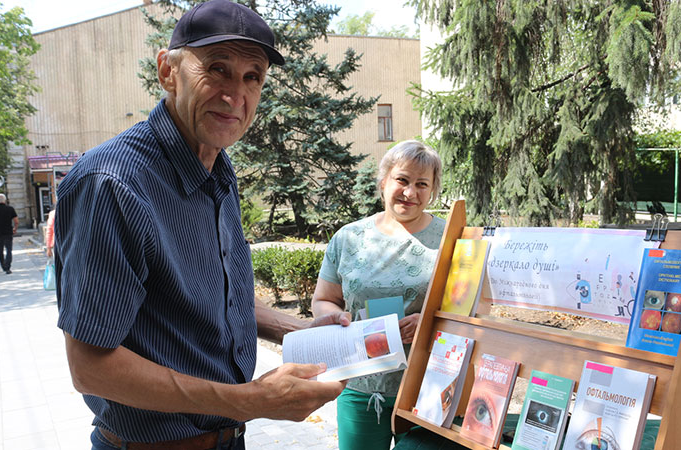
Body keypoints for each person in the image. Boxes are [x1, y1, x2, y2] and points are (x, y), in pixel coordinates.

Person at [54, 1, 348, 449]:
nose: (235, 95)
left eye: (253, 76)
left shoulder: (217, 168)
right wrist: (250, 401)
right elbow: (91, 368)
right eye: (217, 69)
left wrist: (297, 330)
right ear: (167, 72)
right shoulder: (112, 183)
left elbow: (215, 302)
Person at [311, 139, 445, 450]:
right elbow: (323, 300)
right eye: (402, 180)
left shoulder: (451, 238)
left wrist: (428, 321)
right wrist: (341, 322)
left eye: (422, 184)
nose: (410, 192)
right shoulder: (349, 238)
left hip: (428, 388)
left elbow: (470, 311)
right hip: (359, 384)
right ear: (384, 181)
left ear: (432, 190)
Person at [0, 193, 18, 274]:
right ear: (5, 200)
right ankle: (8, 267)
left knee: (0, 250)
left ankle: (3, 266)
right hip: (8, 232)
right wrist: (15, 229)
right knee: (9, 250)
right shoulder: (10, 209)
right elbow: (16, 221)